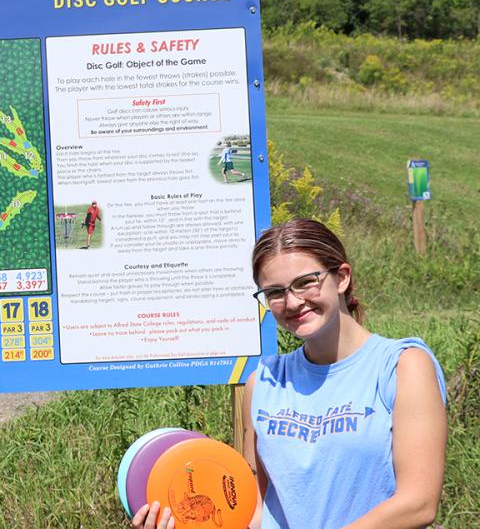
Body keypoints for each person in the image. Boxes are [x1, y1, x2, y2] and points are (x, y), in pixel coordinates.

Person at [131, 218, 447, 529]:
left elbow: (418, 503)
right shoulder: (264, 382)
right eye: (275, 292)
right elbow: (254, 510)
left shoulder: (401, 366)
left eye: (305, 282)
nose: (293, 302)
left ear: (342, 277)